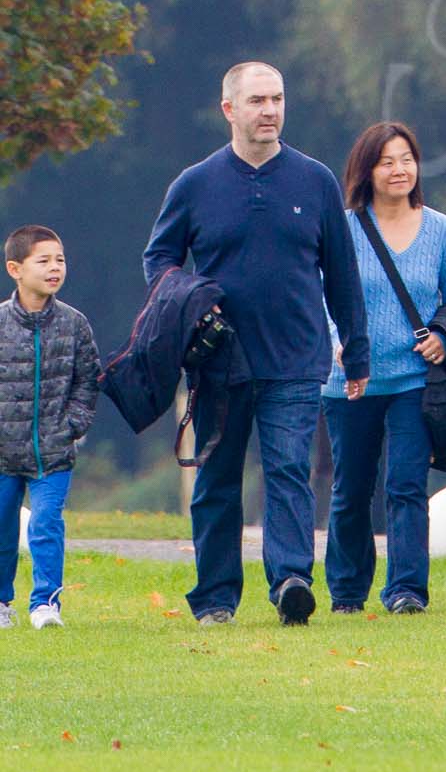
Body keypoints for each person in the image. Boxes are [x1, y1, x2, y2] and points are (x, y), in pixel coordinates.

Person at [144, 61, 369, 626]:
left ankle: (292, 579)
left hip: (296, 359)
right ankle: (216, 598)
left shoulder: (315, 181)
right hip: (219, 364)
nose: (270, 111)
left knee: (289, 469)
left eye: (277, 99)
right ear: (229, 110)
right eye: (257, 101)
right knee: (217, 480)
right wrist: (188, 302)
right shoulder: (194, 185)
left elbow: (342, 273)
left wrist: (358, 352)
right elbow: (160, 260)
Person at [322, 121, 446, 615]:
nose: (398, 170)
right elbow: (317, 297)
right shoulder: (341, 228)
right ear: (366, 169)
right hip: (350, 381)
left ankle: (407, 590)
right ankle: (346, 592)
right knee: (352, 488)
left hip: (415, 381)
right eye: (386, 161)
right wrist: (336, 342)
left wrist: (444, 339)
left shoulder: (440, 229)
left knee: (406, 485)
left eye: (406, 159)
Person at [1, 226, 99, 630]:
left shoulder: (74, 324)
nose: (55, 267)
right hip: (3, 453)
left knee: (46, 525)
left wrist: (72, 425)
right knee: (3, 529)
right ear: (15, 269)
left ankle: (45, 603)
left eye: (59, 259)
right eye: (43, 261)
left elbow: (88, 380)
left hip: (54, 452)